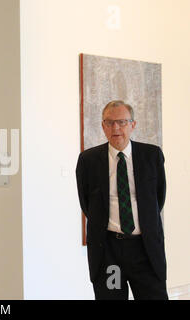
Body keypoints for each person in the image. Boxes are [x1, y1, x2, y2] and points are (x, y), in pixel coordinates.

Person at [76, 100, 168, 300]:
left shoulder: (151, 155)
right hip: (109, 253)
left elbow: (158, 198)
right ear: (102, 126)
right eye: (109, 123)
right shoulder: (88, 160)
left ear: (132, 125)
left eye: (121, 122)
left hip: (145, 251)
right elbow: (86, 204)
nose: (115, 128)